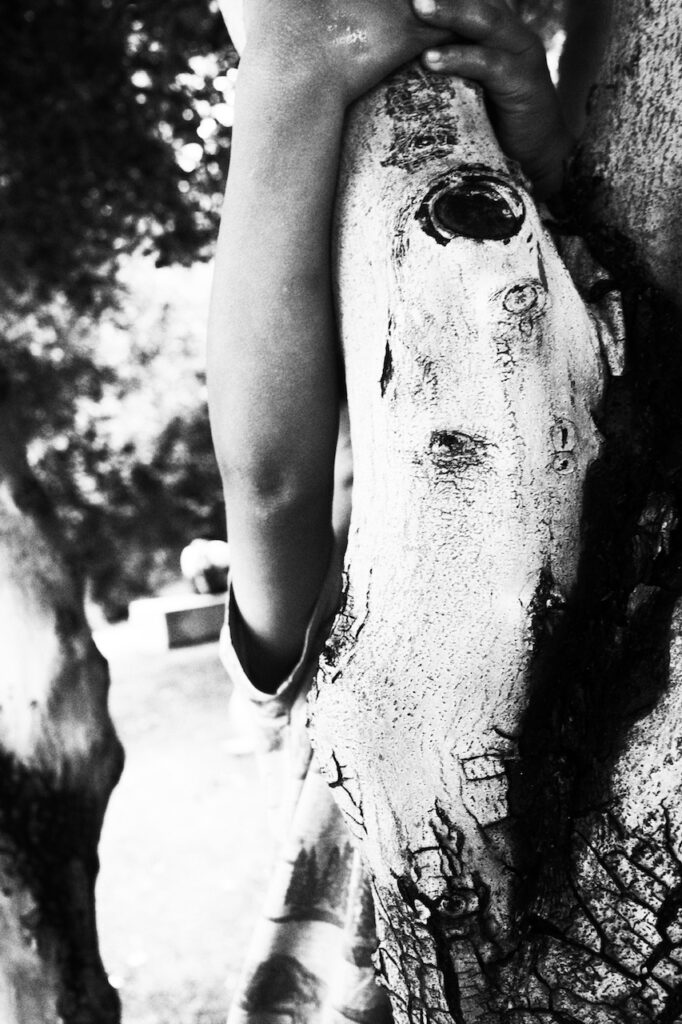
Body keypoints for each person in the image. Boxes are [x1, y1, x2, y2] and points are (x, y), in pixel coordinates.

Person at [207, 2, 610, 1018]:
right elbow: (275, 480)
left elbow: (273, 482)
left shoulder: (316, 613)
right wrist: (288, 73)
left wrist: (287, 74)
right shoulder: (325, 643)